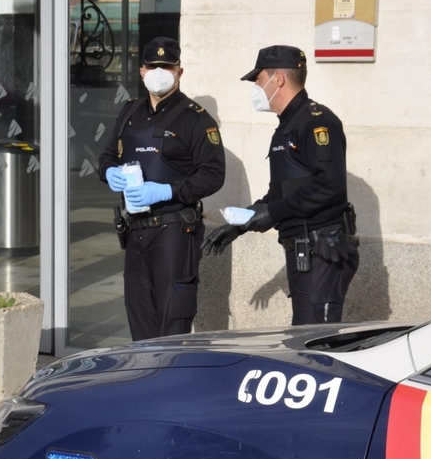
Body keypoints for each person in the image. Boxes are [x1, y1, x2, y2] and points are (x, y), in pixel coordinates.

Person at [202, 45, 359, 325]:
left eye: (259, 79)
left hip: (322, 251)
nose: (256, 87)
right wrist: (242, 223)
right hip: (303, 251)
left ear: (279, 80)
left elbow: (329, 186)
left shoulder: (315, 123)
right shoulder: (287, 125)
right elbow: (282, 194)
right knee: (305, 337)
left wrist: (272, 213)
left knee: (315, 344)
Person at [99, 36, 225, 341]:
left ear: (179, 71)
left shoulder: (196, 119)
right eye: (152, 66)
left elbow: (213, 175)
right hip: (136, 231)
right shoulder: (130, 112)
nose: (159, 71)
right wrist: (109, 172)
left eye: (166, 66)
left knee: (172, 322)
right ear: (142, 71)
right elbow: (106, 156)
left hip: (174, 233)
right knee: (139, 315)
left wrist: (166, 191)